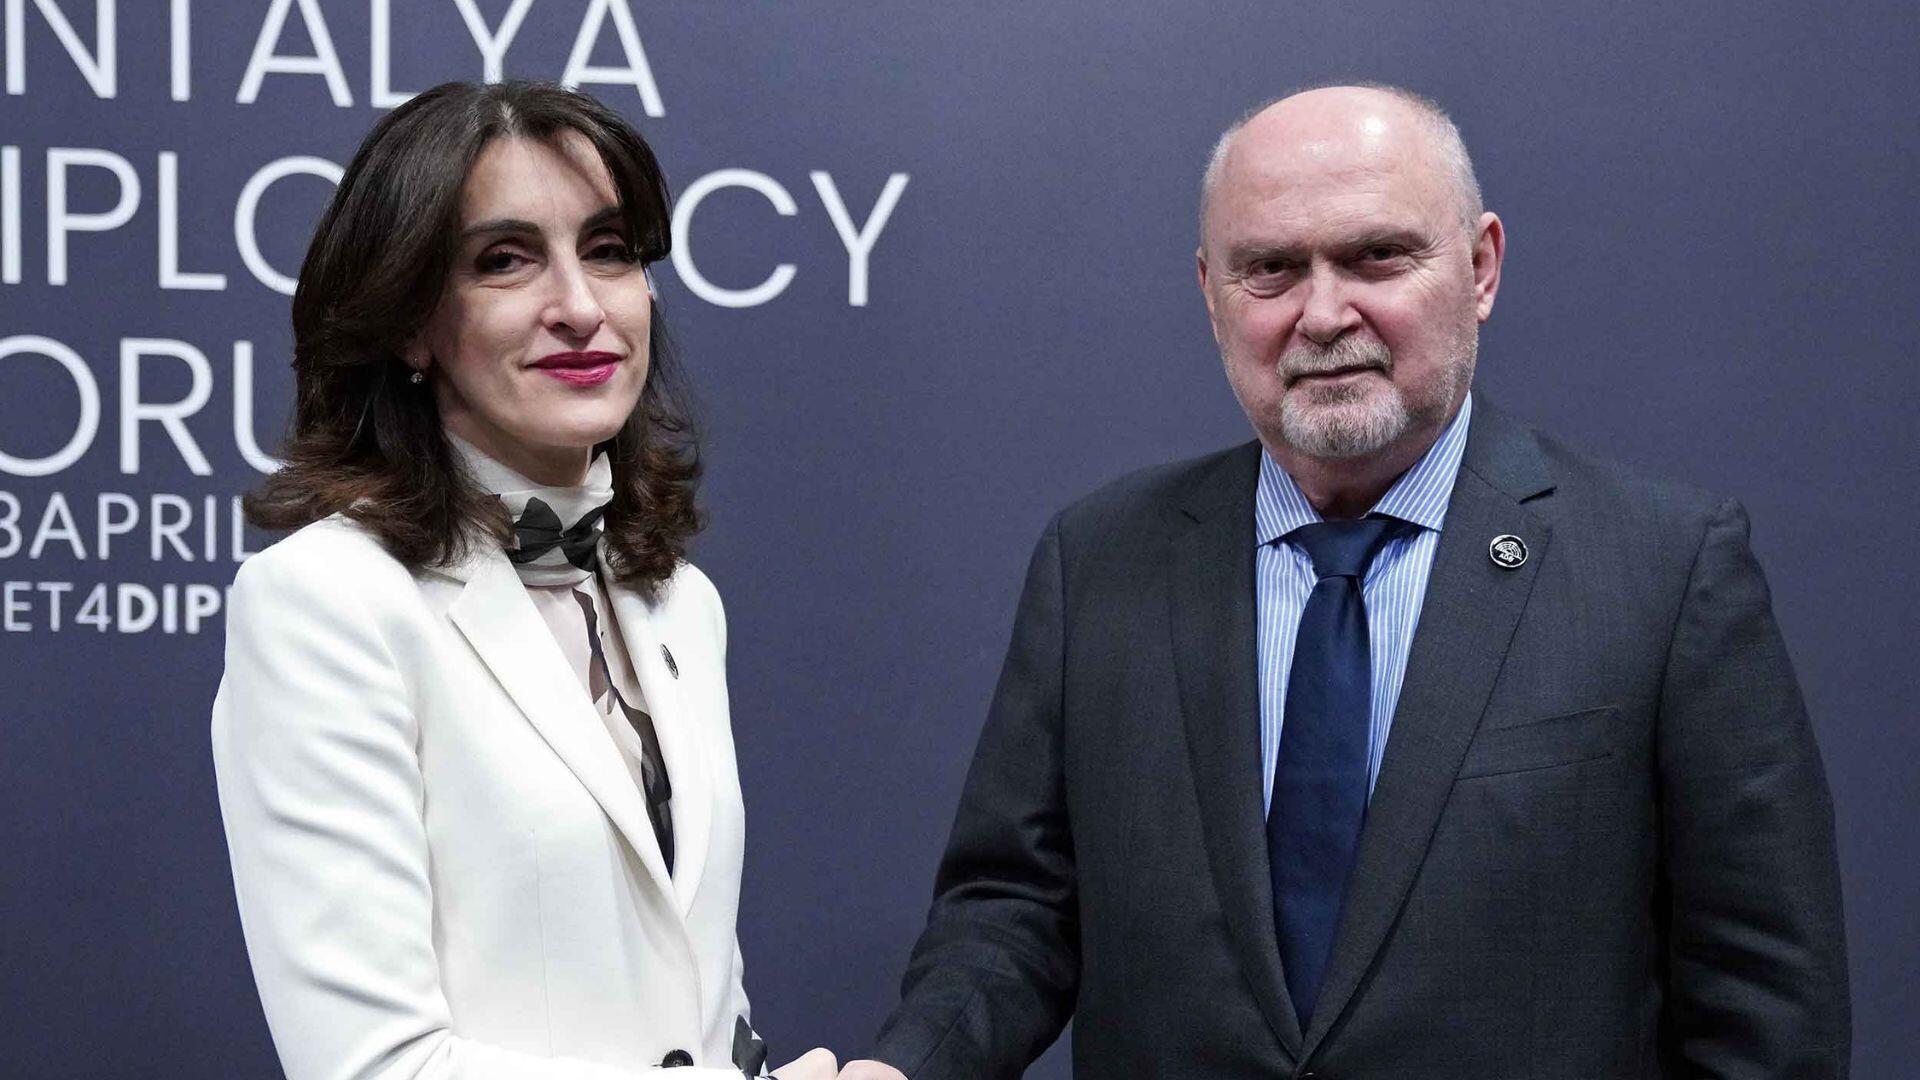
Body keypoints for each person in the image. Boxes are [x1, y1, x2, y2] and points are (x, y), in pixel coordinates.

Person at [840, 85, 1850, 1079]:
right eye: (1271, 269)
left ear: (1481, 267)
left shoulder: (1663, 569)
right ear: (1211, 294)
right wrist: (901, 1070)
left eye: (1376, 256)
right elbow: (1013, 913)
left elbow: (1765, 1013)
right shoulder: (1100, 559)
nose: (1323, 315)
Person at [211, 81, 835, 1080]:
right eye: (505, 260)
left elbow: (692, 989)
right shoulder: (325, 602)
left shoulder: (680, 599)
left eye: (609, 250)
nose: (581, 308)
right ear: (411, 323)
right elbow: (375, 1066)